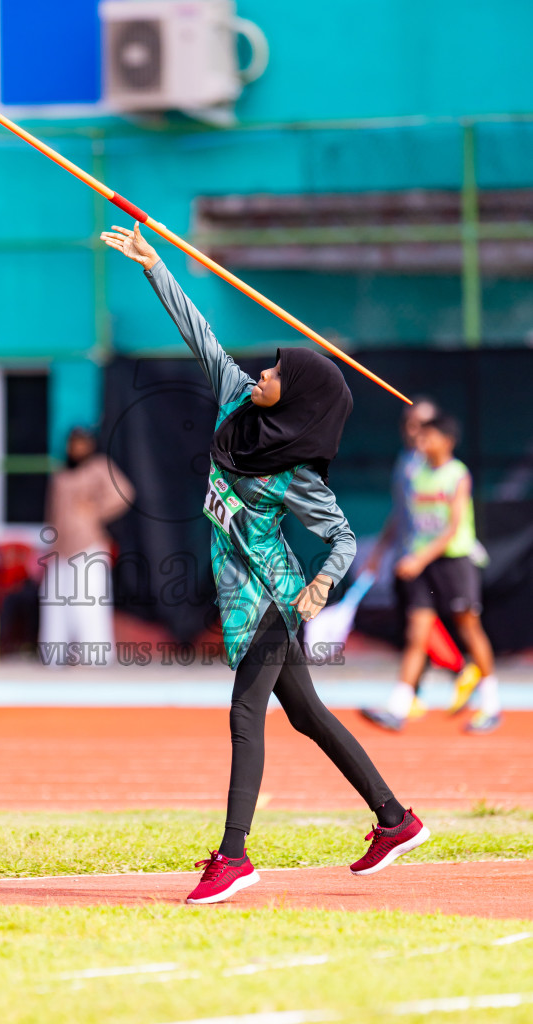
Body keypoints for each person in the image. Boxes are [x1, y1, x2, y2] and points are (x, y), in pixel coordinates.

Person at [100, 222, 430, 904]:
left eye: (277, 371)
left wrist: (316, 588)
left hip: (273, 597)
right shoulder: (234, 398)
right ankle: (394, 820)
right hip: (239, 592)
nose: (263, 372)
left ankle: (232, 856)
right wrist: (153, 267)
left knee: (245, 714)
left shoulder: (296, 475)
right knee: (306, 713)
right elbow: (199, 334)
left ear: (300, 400)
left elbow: (341, 539)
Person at [365, 414, 500, 735]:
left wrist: (419, 557)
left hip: (454, 561)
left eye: (428, 437)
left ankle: (492, 705)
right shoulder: (415, 474)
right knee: (417, 634)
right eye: (419, 438)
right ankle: (398, 707)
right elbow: (402, 515)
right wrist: (386, 551)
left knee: (469, 628)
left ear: (447, 441)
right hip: (421, 564)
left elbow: (453, 528)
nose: (421, 443)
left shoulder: (457, 475)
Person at [38, 427, 135, 666]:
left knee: (88, 600)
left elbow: (124, 493)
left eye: (82, 443)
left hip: (88, 546)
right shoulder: (61, 475)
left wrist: (95, 511)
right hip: (60, 549)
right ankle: (56, 655)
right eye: (74, 443)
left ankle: (93, 656)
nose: (77, 448)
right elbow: (52, 513)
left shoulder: (99, 467)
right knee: (56, 602)